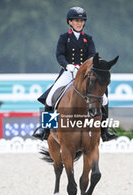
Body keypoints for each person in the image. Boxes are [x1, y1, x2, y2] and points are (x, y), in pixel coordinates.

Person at [33, 6, 117, 142]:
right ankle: (45, 129)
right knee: (49, 98)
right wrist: (67, 65)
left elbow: (91, 55)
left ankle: (104, 130)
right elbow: (59, 54)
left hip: (85, 72)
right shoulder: (64, 38)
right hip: (68, 72)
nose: (79, 23)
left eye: (81, 20)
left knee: (104, 99)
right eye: (76, 20)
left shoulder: (88, 39)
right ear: (70, 22)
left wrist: (85, 67)